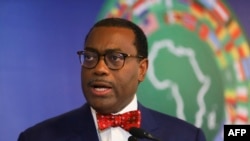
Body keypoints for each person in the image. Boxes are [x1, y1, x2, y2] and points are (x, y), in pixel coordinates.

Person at [18, 17, 206, 141]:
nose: (99, 68)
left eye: (115, 58)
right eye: (90, 57)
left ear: (142, 69)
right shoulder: (38, 137)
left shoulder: (186, 137)